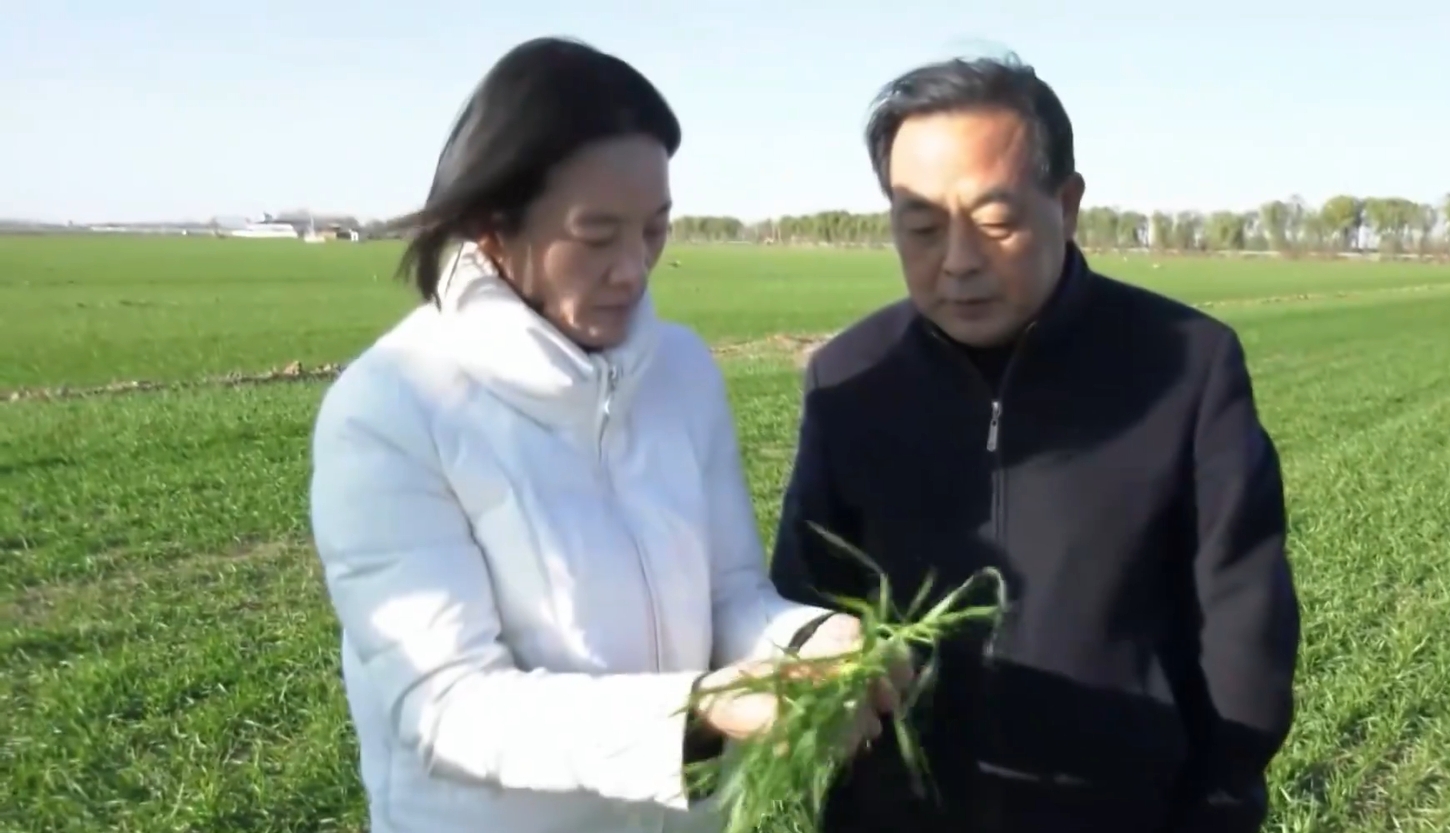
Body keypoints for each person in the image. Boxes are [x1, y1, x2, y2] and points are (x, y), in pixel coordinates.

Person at [308, 37, 907, 833]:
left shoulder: (681, 374)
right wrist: (701, 711)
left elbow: (730, 596)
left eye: (655, 229)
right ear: (491, 225)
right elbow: (446, 707)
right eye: (597, 236)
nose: (634, 267)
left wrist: (813, 642)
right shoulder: (392, 410)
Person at [768, 53, 1301, 833]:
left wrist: (1218, 804)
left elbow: (1244, 623)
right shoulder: (851, 379)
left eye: (996, 222)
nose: (958, 262)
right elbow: (801, 598)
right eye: (921, 227)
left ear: (1067, 203)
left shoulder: (1187, 366)